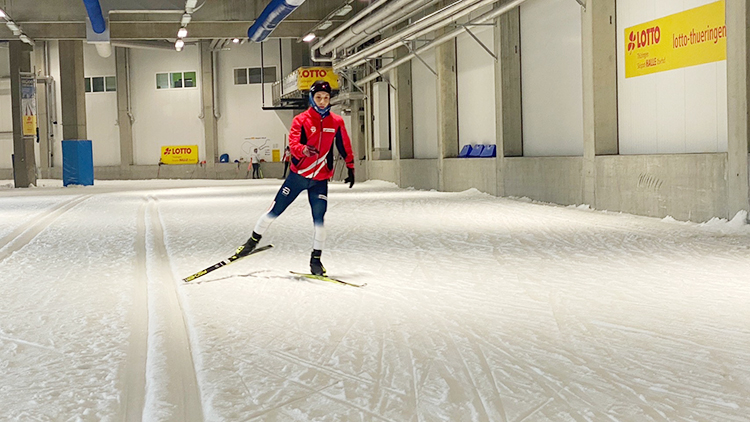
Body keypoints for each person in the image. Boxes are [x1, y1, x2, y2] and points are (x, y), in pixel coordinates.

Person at [235, 80, 355, 275]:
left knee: (320, 220)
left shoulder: (337, 122)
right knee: (274, 211)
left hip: (320, 181)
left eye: (326, 98)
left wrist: (350, 167)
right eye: (318, 97)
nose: (323, 101)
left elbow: (344, 145)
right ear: (311, 98)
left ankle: (316, 260)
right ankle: (251, 242)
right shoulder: (301, 120)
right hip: (297, 177)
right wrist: (303, 150)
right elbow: (293, 144)